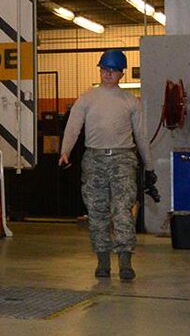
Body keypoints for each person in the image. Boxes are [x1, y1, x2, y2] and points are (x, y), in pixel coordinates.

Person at [58, 47, 151, 281]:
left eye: (113, 70)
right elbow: (73, 127)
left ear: (122, 74)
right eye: (105, 69)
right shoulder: (86, 99)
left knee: (122, 211)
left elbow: (141, 135)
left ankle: (125, 262)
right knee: (97, 212)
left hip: (123, 159)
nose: (108, 74)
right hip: (94, 159)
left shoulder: (131, 102)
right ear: (99, 70)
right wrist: (65, 151)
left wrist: (149, 166)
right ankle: (102, 262)